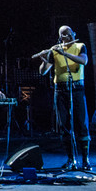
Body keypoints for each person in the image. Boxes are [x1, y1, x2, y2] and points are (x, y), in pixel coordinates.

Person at [38, 26, 91, 170]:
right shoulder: (55, 50)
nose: (67, 37)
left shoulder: (81, 46)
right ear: (60, 37)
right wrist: (43, 60)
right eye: (64, 35)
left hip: (77, 88)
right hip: (60, 90)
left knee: (81, 123)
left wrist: (65, 54)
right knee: (64, 126)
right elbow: (43, 72)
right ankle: (70, 159)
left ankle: (85, 160)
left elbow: (83, 61)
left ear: (74, 33)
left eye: (69, 34)